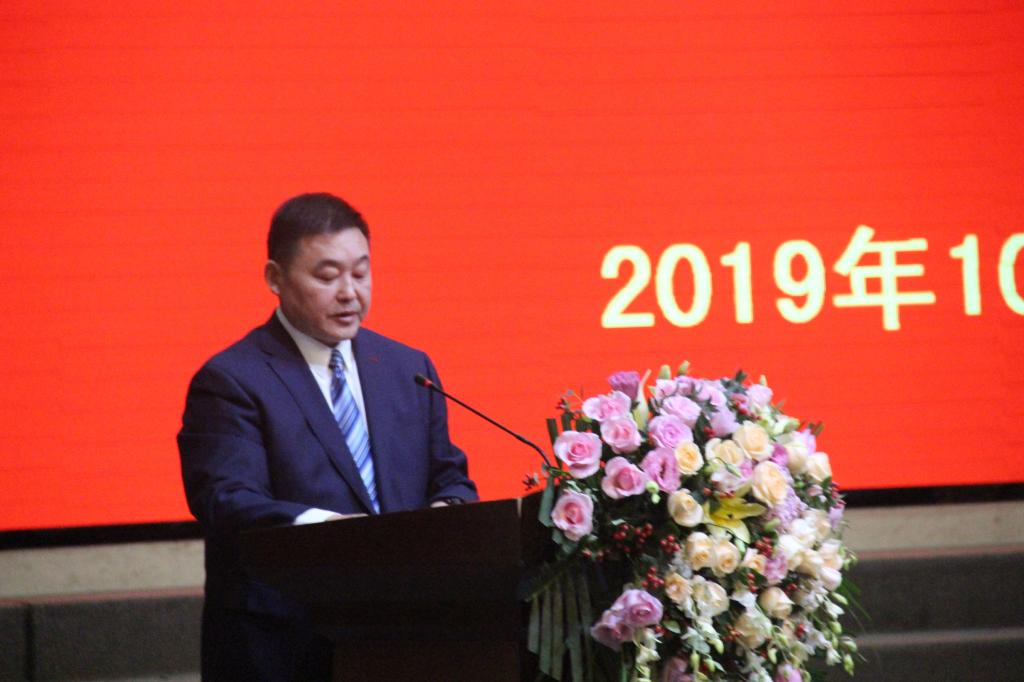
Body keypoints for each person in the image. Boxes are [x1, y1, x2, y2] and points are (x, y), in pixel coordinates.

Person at [178, 192, 477, 681]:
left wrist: (446, 513)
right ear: (275, 278)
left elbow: (450, 478)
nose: (349, 293)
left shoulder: (407, 367)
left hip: (404, 636)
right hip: (283, 645)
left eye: (361, 273)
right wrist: (334, 530)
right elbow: (226, 499)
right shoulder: (232, 380)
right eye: (327, 276)